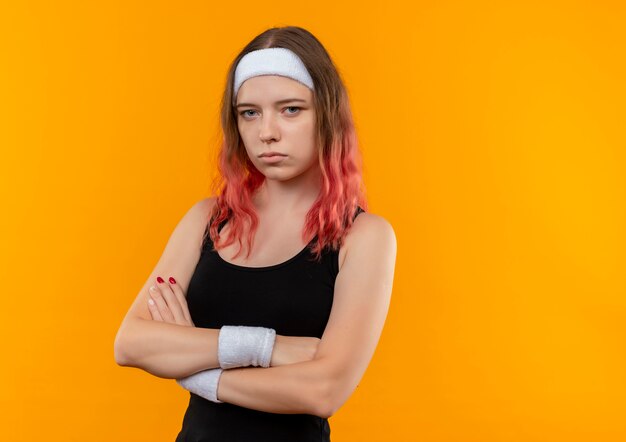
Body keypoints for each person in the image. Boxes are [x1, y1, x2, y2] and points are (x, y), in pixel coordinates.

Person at [114, 25, 397, 441]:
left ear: (328, 114)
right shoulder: (206, 220)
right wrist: (268, 348)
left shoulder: (365, 237)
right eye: (250, 112)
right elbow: (131, 343)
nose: (267, 132)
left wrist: (194, 369)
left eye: (291, 109)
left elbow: (323, 390)